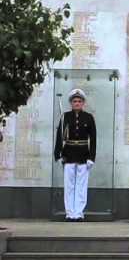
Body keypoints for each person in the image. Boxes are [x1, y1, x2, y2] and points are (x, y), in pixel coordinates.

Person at [54, 89, 96, 222]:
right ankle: (70, 213)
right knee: (69, 185)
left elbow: (93, 139)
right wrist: (58, 153)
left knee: (81, 186)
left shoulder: (88, 118)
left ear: (83, 103)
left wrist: (91, 157)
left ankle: (79, 213)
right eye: (74, 101)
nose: (77, 103)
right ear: (71, 103)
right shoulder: (65, 117)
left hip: (83, 154)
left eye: (79, 101)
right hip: (69, 154)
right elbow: (59, 137)